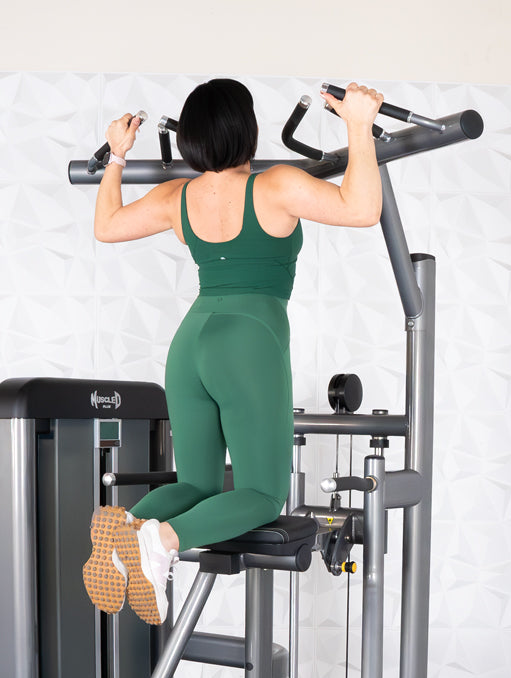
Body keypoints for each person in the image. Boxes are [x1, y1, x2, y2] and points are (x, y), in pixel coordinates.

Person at [83, 79, 384, 626]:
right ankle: (159, 541)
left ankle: (124, 532)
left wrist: (118, 156)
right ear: (247, 130)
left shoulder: (178, 197)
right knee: (262, 494)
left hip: (190, 344)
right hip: (248, 342)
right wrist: (359, 126)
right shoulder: (276, 185)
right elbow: (362, 208)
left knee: (194, 484)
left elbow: (106, 226)